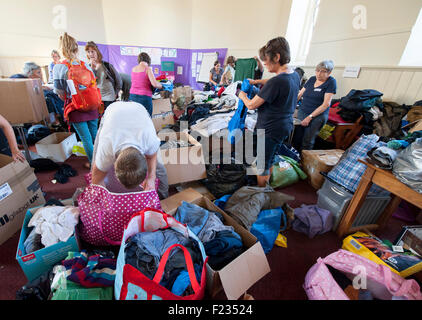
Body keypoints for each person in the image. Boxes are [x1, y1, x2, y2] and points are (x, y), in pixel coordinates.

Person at [238, 37, 300, 187]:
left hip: (270, 129)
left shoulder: (276, 82)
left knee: (262, 163)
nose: (264, 64)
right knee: (270, 158)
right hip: (285, 126)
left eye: (266, 60)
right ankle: (268, 186)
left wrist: (242, 95)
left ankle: (261, 193)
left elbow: (252, 105)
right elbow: (274, 82)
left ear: (277, 57)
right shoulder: (294, 75)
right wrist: (257, 82)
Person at [91, 101, 169, 199]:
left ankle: (164, 198)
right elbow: (96, 178)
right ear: (114, 165)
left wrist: (151, 178)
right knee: (95, 164)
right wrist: (98, 193)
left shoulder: (149, 140)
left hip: (139, 111)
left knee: (159, 168)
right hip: (112, 111)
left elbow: (152, 156)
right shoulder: (107, 148)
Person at [53, 33, 100, 169]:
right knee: (95, 136)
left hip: (75, 106)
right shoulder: (85, 64)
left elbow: (59, 92)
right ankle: (101, 162)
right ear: (75, 48)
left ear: (62, 49)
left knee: (85, 138)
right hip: (92, 104)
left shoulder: (60, 67)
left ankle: (94, 166)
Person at [296, 60, 337, 150]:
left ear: (329, 73)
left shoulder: (331, 82)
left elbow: (326, 104)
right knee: (297, 137)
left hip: (317, 116)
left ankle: (304, 162)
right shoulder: (312, 79)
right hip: (303, 111)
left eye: (323, 71)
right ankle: (295, 159)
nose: (319, 74)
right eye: (317, 70)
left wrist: (310, 117)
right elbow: (300, 94)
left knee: (307, 141)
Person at [11, 62, 65, 127]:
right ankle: (54, 120)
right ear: (29, 74)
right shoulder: (20, 78)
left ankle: (60, 116)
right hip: (25, 107)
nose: (41, 75)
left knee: (52, 93)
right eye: (38, 72)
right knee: (48, 97)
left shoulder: (34, 82)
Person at [85, 41, 122, 111]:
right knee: (100, 120)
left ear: (97, 52)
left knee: (109, 118)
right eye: (88, 52)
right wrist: (92, 69)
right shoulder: (88, 68)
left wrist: (116, 93)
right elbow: (90, 83)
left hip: (109, 97)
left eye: (92, 51)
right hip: (97, 99)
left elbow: (118, 80)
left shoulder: (106, 65)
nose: (90, 54)